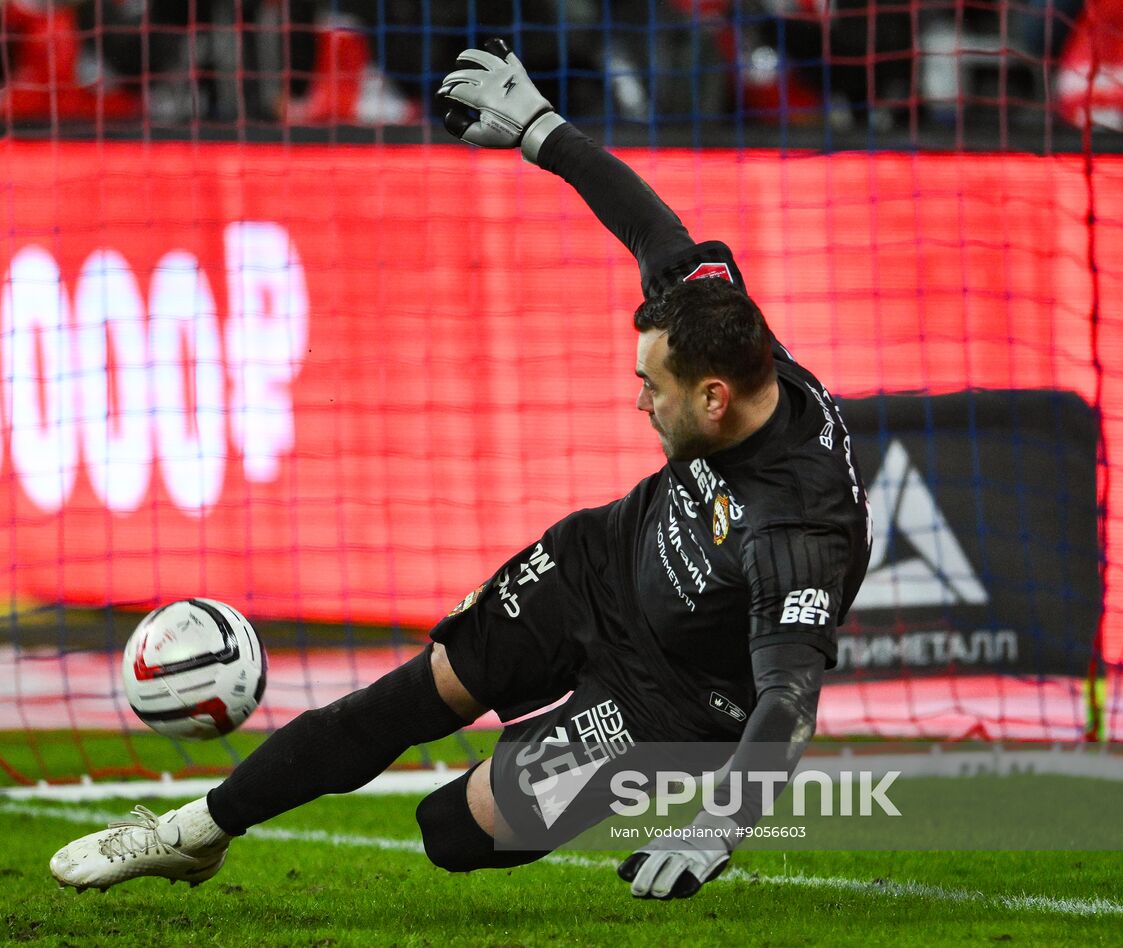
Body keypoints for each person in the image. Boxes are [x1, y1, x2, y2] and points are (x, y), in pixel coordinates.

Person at [49, 37, 871, 901]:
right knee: (412, 696)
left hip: (675, 701)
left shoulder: (799, 527)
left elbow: (787, 704)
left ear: (713, 398)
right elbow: (651, 227)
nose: (638, 402)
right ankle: (193, 833)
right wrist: (542, 130)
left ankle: (562, 772)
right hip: (598, 567)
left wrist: (716, 828)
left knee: (452, 831)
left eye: (651, 388)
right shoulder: (720, 322)